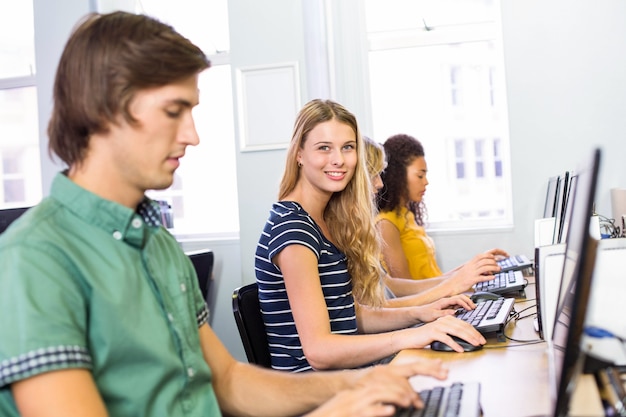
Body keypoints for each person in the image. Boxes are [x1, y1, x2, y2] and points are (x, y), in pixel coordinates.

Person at [0, 11, 452, 417]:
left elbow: (228, 380)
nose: (193, 135)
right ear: (103, 111)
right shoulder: (34, 261)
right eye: (175, 112)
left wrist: (359, 382)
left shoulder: (155, 243)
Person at [255, 99, 486, 373]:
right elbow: (319, 351)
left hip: (345, 380)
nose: (338, 160)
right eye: (324, 148)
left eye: (347, 148)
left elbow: (349, 315)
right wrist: (411, 335)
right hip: (318, 395)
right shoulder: (294, 230)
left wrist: (420, 313)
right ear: (299, 154)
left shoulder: (325, 220)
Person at [363, 136, 508, 307]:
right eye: (420, 175)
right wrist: (456, 282)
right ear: (399, 176)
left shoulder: (407, 216)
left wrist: (471, 269)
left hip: (436, 300)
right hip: (426, 306)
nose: (426, 182)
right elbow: (400, 290)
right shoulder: (386, 224)